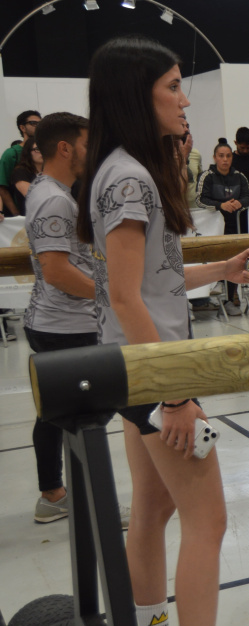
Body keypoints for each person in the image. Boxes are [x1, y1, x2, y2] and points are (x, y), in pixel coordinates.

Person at [77, 36, 249, 626]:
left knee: (154, 511)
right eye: (174, 86)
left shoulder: (120, 167)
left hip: (134, 373)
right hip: (154, 375)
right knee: (207, 521)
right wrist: (175, 396)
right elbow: (129, 298)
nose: (185, 99)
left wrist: (223, 268)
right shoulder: (130, 177)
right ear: (139, 96)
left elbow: (154, 276)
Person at [22, 113, 99, 524]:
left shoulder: (48, 190)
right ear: (66, 148)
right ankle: (83, 500)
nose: (92, 152)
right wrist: (112, 296)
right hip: (66, 325)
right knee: (80, 417)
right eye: (87, 144)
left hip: (56, 322)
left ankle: (53, 492)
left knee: (53, 412)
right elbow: (55, 269)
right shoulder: (54, 198)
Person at [196, 140, 249, 315]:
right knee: (215, 264)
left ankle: (230, 299)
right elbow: (200, 199)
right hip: (212, 231)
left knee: (234, 264)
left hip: (235, 228)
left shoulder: (240, 176)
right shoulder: (207, 176)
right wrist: (220, 205)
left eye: (228, 156)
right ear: (214, 158)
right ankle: (207, 297)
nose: (225, 160)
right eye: (221, 156)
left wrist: (238, 203)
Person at [0, 109, 41, 216]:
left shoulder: (47, 150)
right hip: (20, 212)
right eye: (33, 123)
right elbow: (2, 187)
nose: (37, 126)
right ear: (22, 127)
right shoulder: (11, 154)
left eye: (40, 123)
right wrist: (15, 213)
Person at [10, 137, 42, 215]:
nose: (42, 152)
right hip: (30, 217)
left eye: (44, 148)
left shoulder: (50, 171)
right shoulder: (21, 171)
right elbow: (32, 196)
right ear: (28, 152)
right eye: (37, 149)